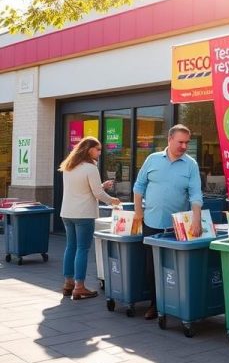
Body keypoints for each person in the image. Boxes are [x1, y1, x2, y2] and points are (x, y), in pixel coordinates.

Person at [133, 124, 203, 319]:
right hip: (151, 223)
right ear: (170, 140)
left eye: (187, 143)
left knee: (173, 268)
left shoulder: (191, 164)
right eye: (180, 142)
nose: (184, 146)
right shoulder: (152, 159)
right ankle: (155, 305)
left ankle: (175, 304)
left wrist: (196, 220)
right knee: (151, 267)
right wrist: (138, 211)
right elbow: (138, 186)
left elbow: (196, 194)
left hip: (176, 227)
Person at [59, 137, 120, 300]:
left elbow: (83, 189)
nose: (100, 152)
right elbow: (97, 194)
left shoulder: (68, 166)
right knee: (82, 249)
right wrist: (113, 201)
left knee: (70, 247)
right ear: (88, 149)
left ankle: (68, 283)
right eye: (97, 149)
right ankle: (79, 287)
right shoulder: (91, 168)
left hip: (67, 213)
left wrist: (101, 186)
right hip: (84, 214)